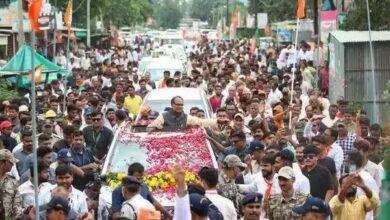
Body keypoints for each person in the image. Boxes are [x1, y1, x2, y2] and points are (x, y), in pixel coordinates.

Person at [147, 96, 224, 131]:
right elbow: (149, 128)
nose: (180, 107)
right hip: (165, 145)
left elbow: (201, 122)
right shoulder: (163, 116)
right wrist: (158, 130)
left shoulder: (187, 117)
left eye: (181, 105)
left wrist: (218, 121)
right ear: (172, 105)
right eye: (177, 105)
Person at [0, 149, 23, 219]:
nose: (13, 164)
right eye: (10, 162)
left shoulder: (12, 181)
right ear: (3, 162)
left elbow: (17, 203)